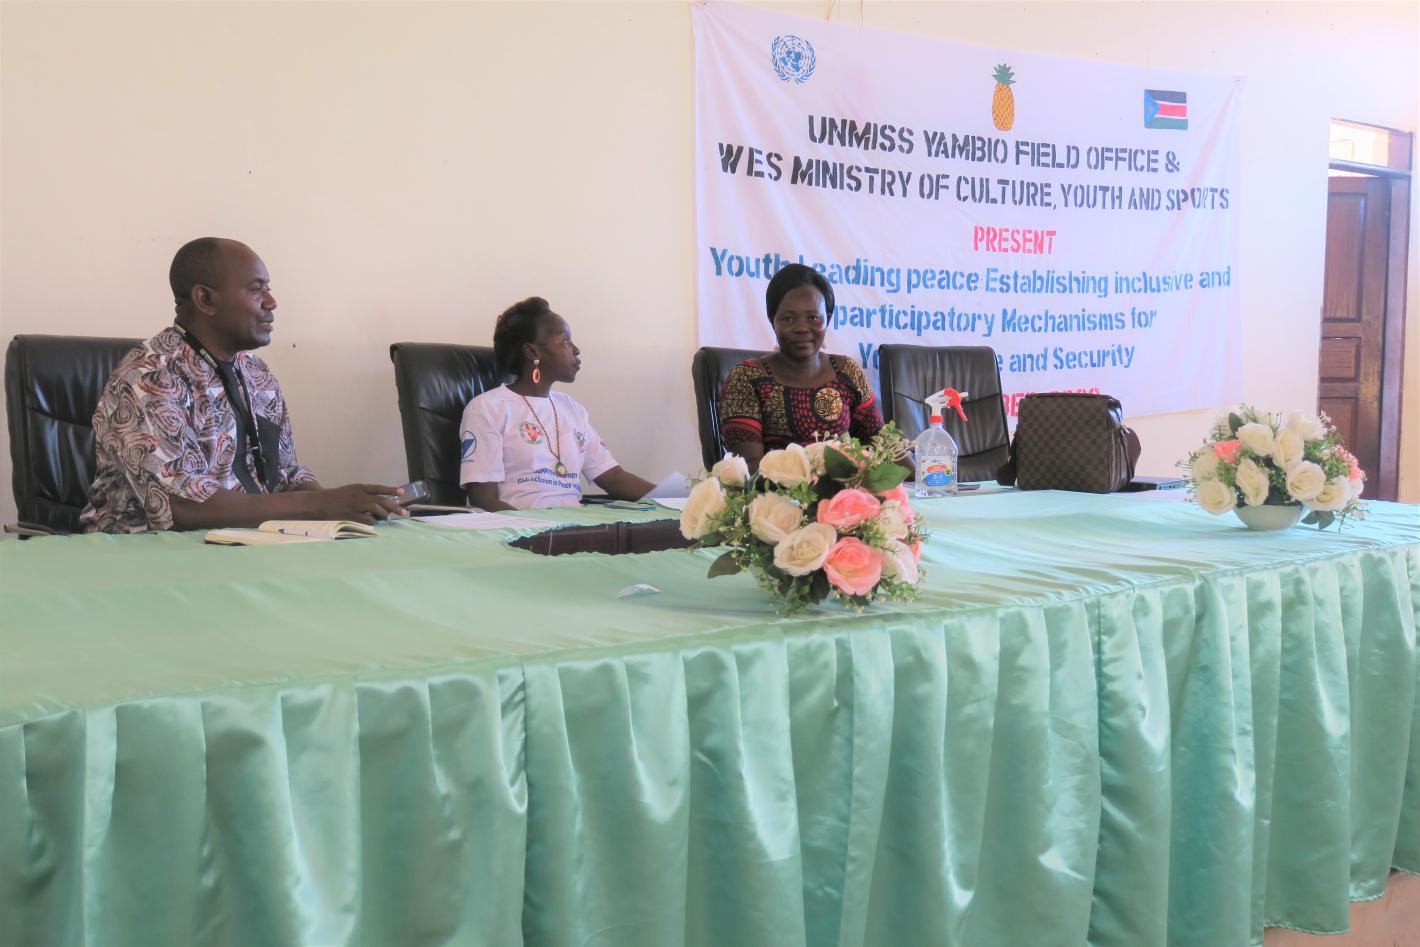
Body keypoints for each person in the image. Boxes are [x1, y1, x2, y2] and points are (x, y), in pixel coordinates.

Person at [81, 238, 408, 533]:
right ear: (205, 299)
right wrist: (320, 506)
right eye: (256, 289)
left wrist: (344, 509)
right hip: (146, 557)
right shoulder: (150, 377)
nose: (271, 302)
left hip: (250, 545)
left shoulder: (255, 373)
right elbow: (184, 507)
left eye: (268, 288)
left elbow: (286, 475)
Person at [459, 297, 654, 510]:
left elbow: (614, 477)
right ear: (532, 352)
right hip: (518, 526)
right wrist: (534, 527)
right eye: (565, 340)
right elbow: (484, 499)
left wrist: (680, 501)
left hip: (574, 524)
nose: (576, 349)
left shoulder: (572, 409)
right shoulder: (487, 409)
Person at [719, 263, 885, 472]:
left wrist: (918, 471)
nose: (801, 328)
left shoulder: (847, 372)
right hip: (774, 491)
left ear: (828, 319)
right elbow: (749, 470)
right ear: (773, 321)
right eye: (788, 318)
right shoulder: (748, 378)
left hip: (845, 491)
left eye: (813, 318)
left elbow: (883, 447)